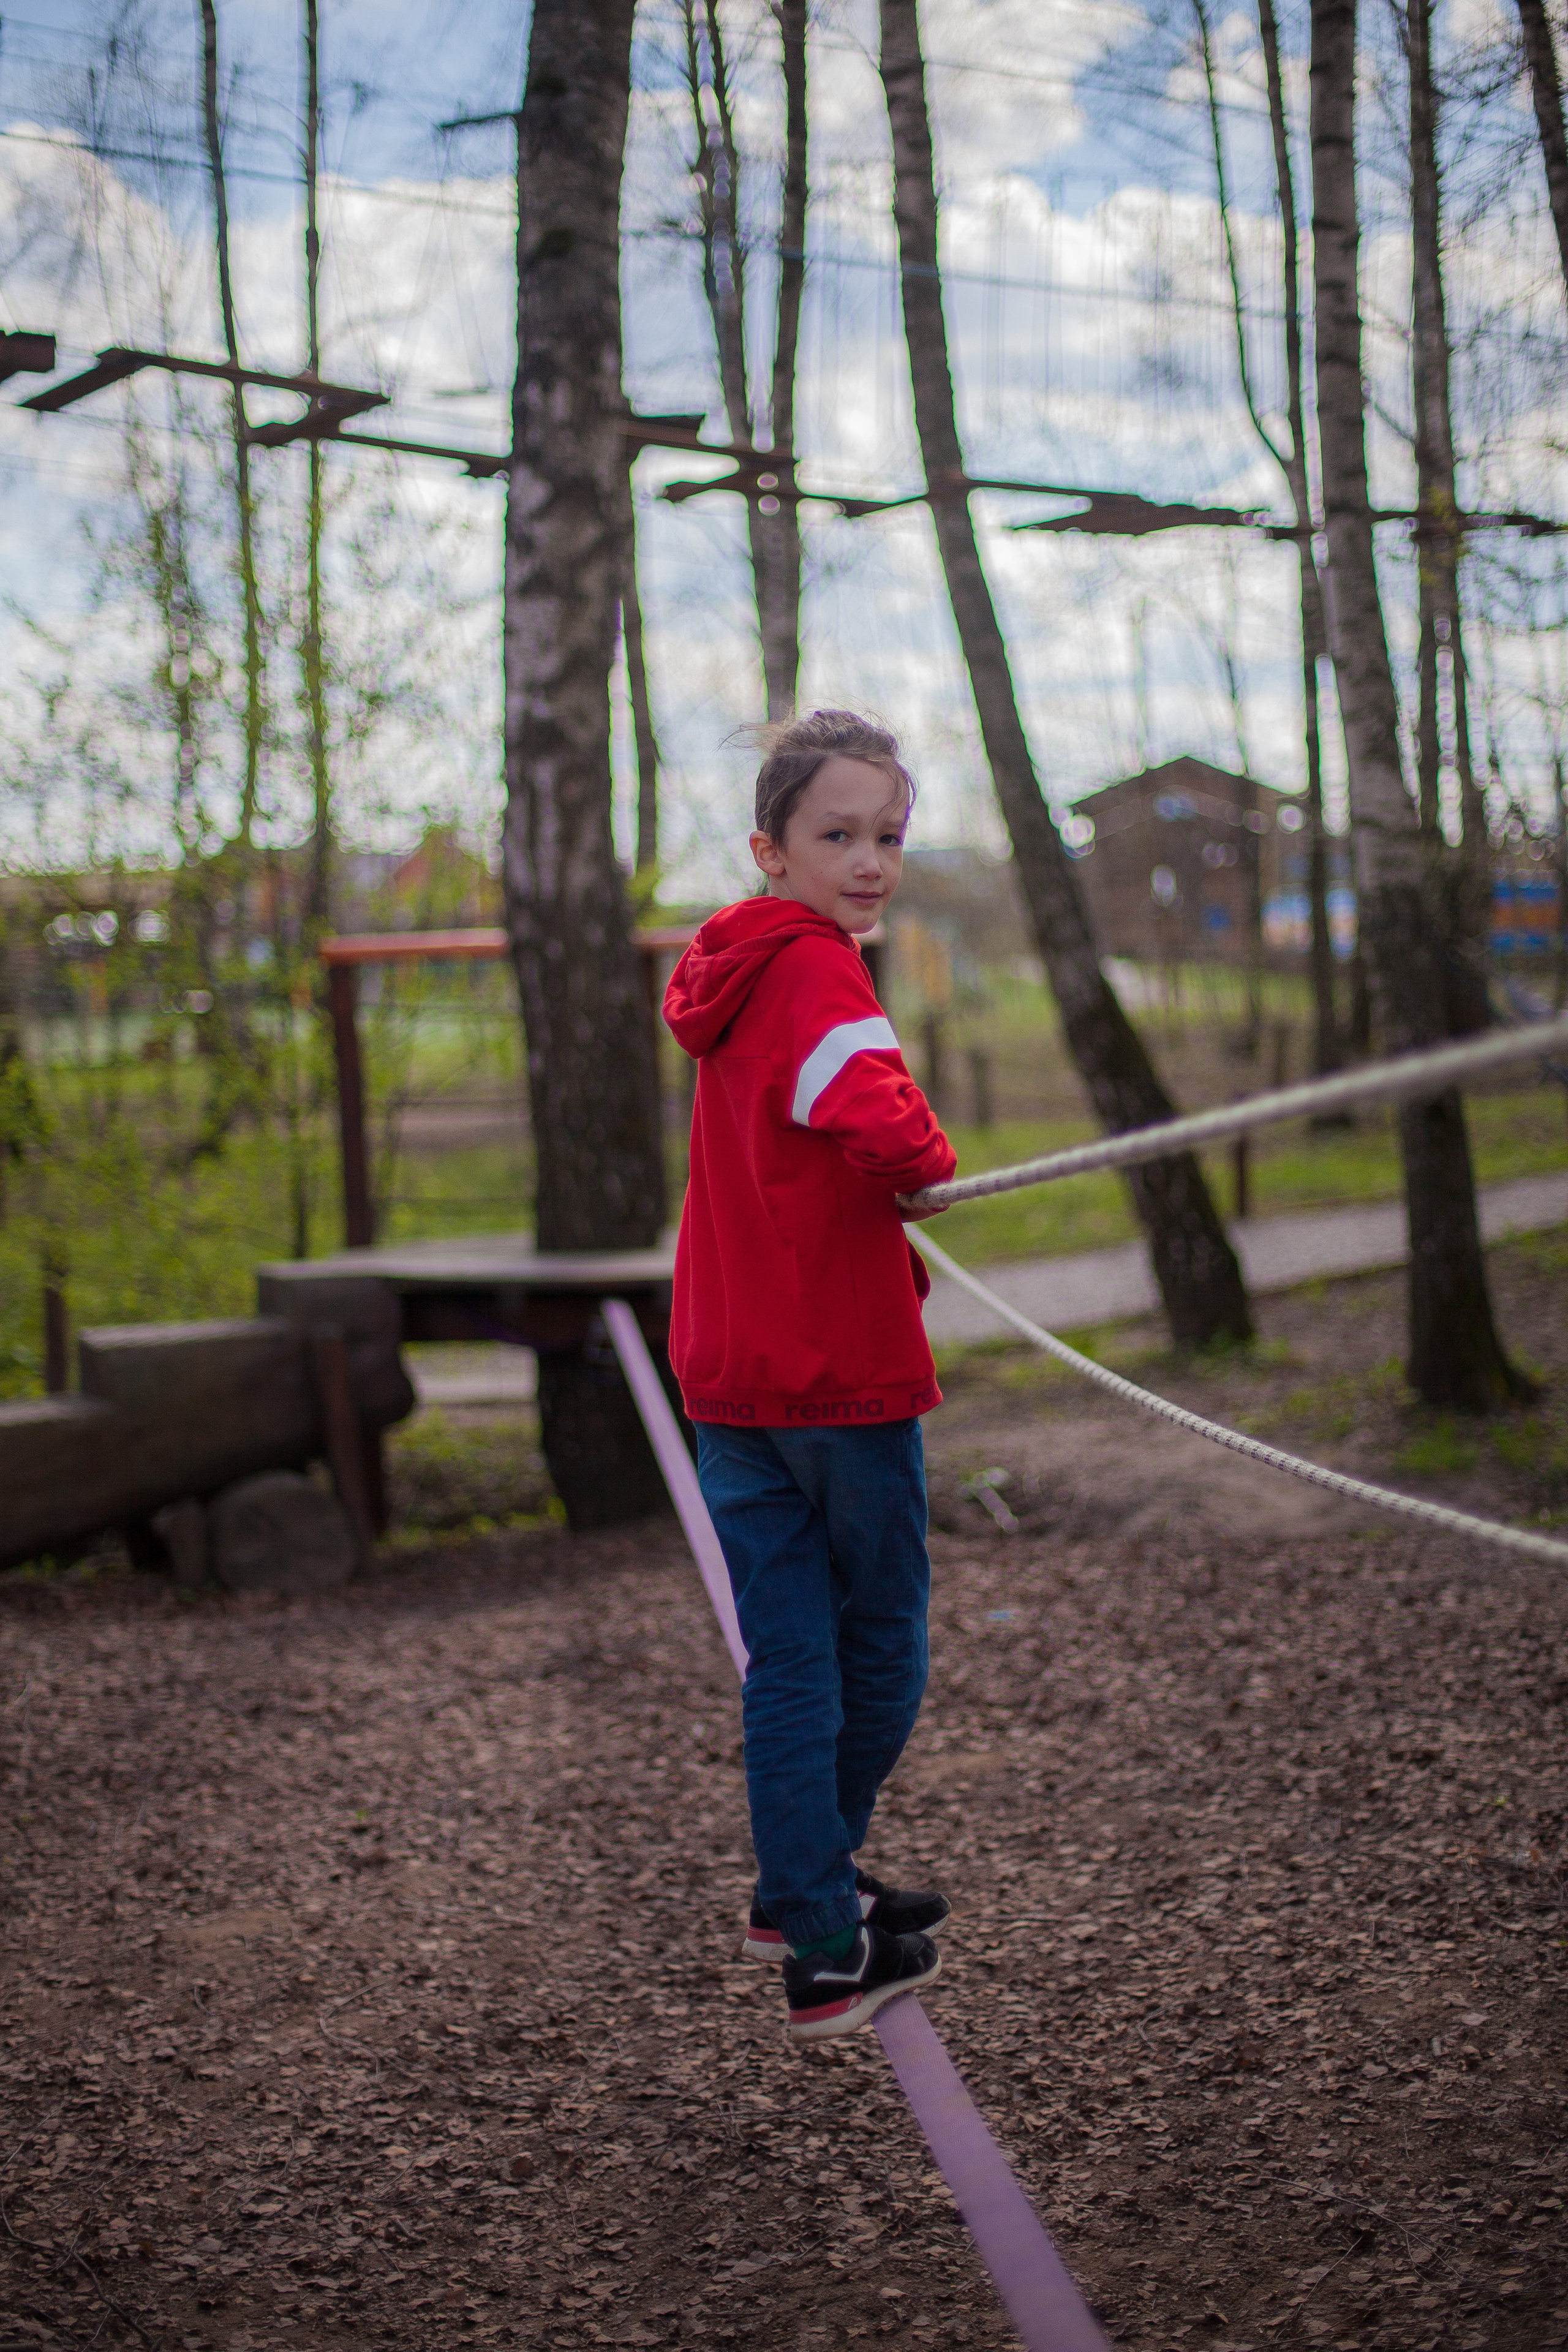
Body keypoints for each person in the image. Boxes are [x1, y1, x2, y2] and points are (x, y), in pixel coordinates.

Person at [663, 709, 958, 2043]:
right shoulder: (814, 966)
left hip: (726, 1374)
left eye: (885, 835)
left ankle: (807, 1895)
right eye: (835, 834)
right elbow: (875, 1109)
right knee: (875, 1641)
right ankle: (818, 1929)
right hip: (831, 1372)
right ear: (769, 847)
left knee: (789, 1653)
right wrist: (923, 1167)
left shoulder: (728, 969)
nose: (867, 862)